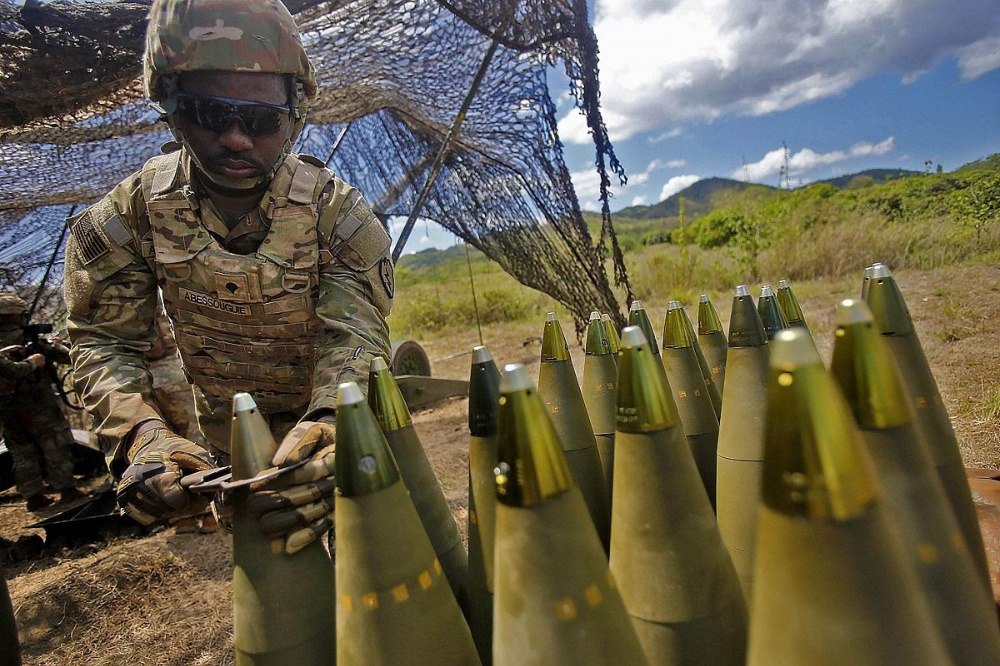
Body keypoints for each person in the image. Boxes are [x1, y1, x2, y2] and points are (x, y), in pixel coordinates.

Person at [63, 0, 393, 553]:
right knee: (281, 597)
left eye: (261, 120)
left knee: (384, 568)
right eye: (212, 115)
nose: (237, 139)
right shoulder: (132, 215)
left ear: (293, 113)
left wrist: (339, 422)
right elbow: (102, 339)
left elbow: (356, 336)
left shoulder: (335, 213)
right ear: (169, 104)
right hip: (233, 445)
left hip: (340, 430)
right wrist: (141, 438)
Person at [0, 293, 83, 511]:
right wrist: (59, 345)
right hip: (39, 404)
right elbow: (68, 357)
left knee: (21, 451)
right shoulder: (30, 341)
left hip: (6, 409)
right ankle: (67, 490)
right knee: (54, 443)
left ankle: (34, 497)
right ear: (17, 315)